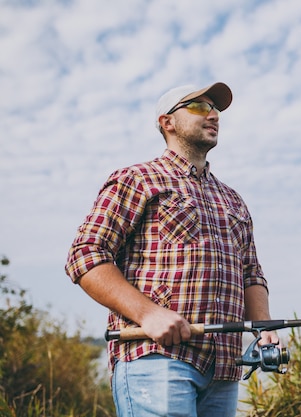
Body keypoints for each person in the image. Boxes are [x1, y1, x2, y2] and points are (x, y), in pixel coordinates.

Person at [65, 82, 278, 417]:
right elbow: (86, 254)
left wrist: (264, 330)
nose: (212, 115)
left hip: (225, 369)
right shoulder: (136, 179)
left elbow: (251, 273)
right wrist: (148, 314)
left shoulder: (233, 199)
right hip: (156, 360)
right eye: (197, 106)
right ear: (167, 122)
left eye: (216, 109)